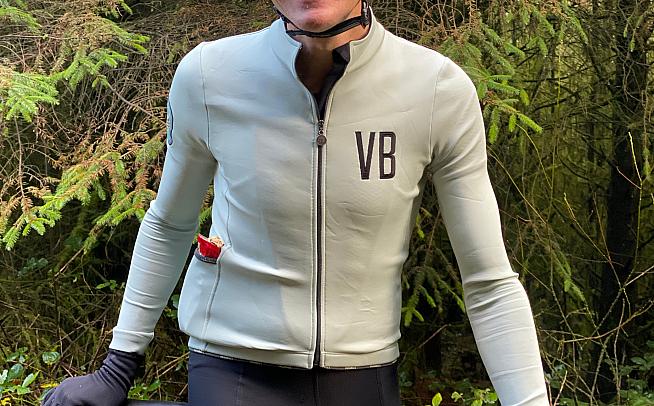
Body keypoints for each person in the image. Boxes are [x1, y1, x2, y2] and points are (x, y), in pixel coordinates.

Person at [42, 1, 550, 405]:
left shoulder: (436, 89)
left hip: (365, 370)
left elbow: (488, 281)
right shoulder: (209, 75)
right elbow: (169, 224)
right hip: (232, 366)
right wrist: (119, 365)